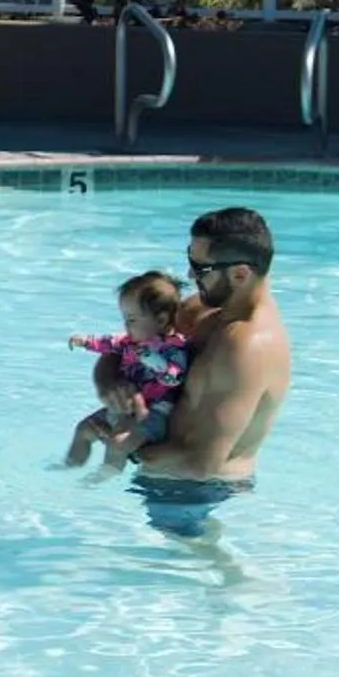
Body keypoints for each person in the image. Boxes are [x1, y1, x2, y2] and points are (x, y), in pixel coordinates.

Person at [130, 207, 293, 535]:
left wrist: (123, 442)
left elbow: (201, 465)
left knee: (183, 568)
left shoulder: (247, 347)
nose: (190, 276)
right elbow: (138, 338)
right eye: (189, 260)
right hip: (173, 478)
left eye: (200, 268)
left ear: (240, 274)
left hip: (195, 493)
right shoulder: (210, 309)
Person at [63, 271, 190, 468]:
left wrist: (156, 363)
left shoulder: (174, 348)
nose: (125, 325)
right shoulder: (128, 342)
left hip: (155, 412)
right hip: (125, 407)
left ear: (161, 320)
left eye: (131, 319)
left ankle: (104, 477)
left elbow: (174, 377)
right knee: (84, 429)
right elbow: (106, 343)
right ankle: (68, 466)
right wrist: (85, 342)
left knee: (118, 444)